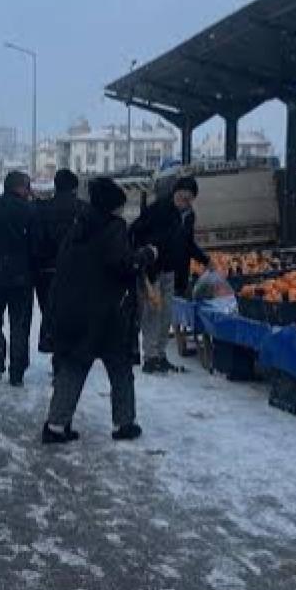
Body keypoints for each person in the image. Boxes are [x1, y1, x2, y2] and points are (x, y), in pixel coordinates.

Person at [43, 177, 158, 443]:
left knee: (74, 366)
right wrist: (147, 255)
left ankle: (56, 425)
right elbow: (122, 264)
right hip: (107, 312)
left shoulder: (78, 226)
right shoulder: (113, 227)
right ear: (112, 205)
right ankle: (125, 423)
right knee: (120, 367)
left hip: (75, 310)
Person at [130, 176, 209, 374]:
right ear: (175, 193)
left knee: (166, 314)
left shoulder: (188, 216)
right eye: (182, 196)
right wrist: (144, 256)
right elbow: (136, 231)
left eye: (189, 198)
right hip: (152, 270)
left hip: (171, 270)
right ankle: (150, 357)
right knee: (152, 313)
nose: (184, 201)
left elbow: (188, 243)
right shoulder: (159, 210)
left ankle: (160, 354)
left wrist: (205, 260)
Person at [0, 171, 37, 386]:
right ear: (20, 188)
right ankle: (17, 371)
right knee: (20, 324)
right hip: (21, 278)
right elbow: (37, 244)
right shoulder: (30, 211)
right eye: (27, 186)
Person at [33, 169, 87, 357]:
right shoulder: (83, 209)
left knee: (49, 310)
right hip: (76, 270)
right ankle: (69, 352)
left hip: (46, 270)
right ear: (74, 188)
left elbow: (36, 240)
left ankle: (55, 348)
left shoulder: (42, 209)